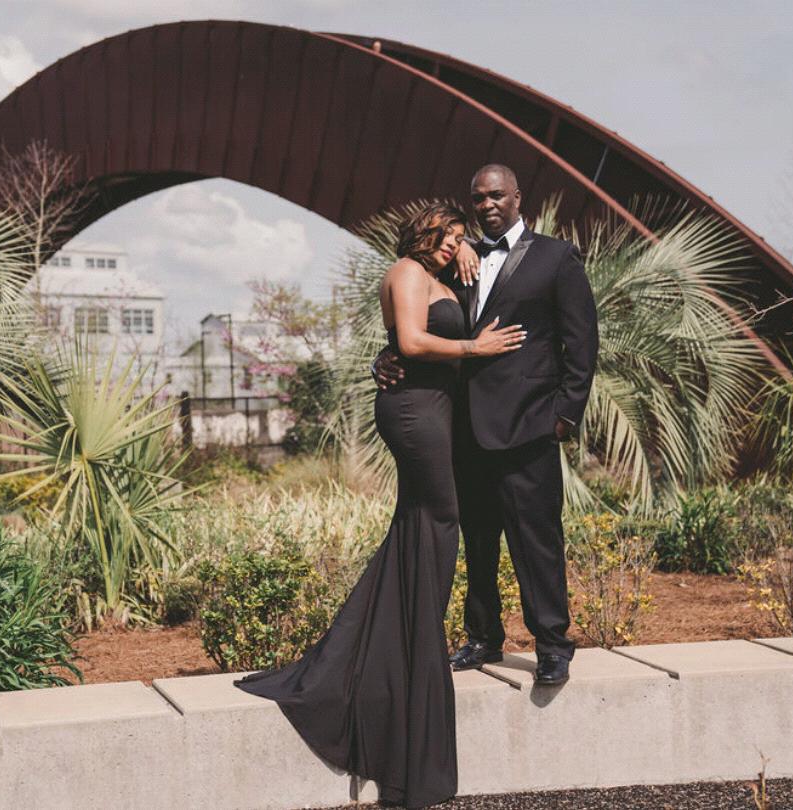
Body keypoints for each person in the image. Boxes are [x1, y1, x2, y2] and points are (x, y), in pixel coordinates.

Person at [235, 203, 525, 809]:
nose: (451, 242)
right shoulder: (405, 271)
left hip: (436, 408)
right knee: (439, 519)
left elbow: (420, 325)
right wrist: (476, 347)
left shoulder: (440, 272)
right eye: (443, 234)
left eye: (456, 236)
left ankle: (401, 643)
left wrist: (464, 249)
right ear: (420, 233)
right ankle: (415, 647)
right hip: (413, 410)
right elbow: (412, 340)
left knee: (419, 524)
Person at [375, 164, 599, 687]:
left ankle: (552, 643)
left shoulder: (556, 258)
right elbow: (419, 324)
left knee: (536, 538)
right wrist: (383, 360)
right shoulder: (457, 261)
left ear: (517, 196)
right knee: (477, 539)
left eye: (496, 195)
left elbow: (581, 342)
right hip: (461, 426)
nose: (487, 204)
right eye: (478, 198)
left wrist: (563, 417)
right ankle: (482, 636)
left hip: (529, 426)